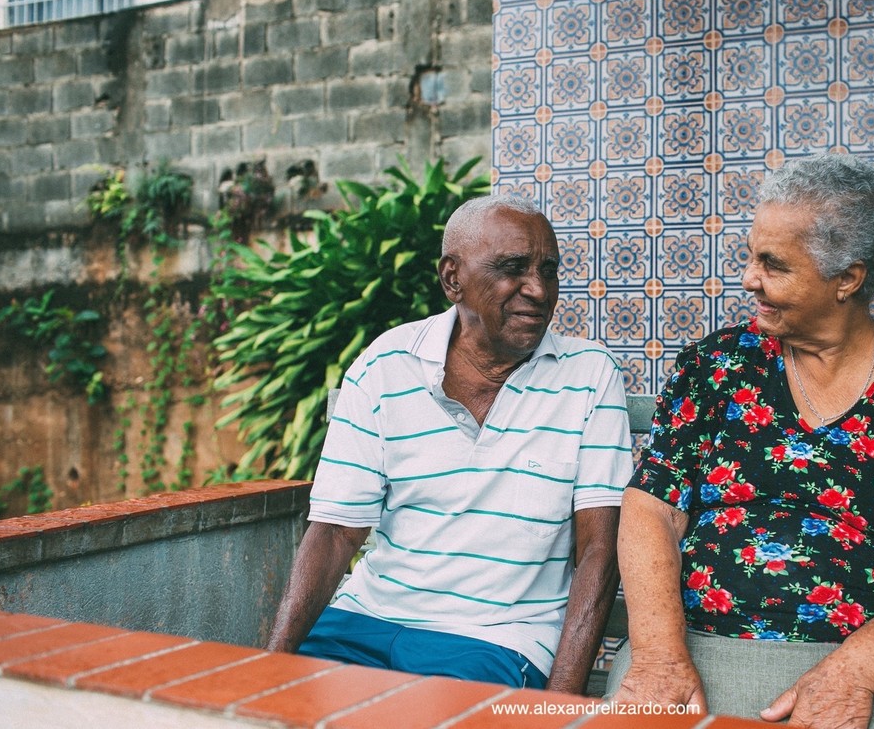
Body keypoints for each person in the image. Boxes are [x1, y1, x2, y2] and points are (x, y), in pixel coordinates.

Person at [607, 153, 874, 728]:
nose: (749, 279)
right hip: (696, 645)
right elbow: (651, 509)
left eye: (774, 264)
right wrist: (660, 655)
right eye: (751, 255)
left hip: (872, 660)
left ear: (848, 279)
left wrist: (856, 670)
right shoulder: (717, 370)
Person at [266, 194, 634, 693]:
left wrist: (560, 703)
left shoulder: (588, 375)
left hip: (495, 640)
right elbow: (334, 534)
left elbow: (599, 548)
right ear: (452, 279)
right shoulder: (385, 366)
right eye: (513, 268)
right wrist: (267, 675)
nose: (538, 290)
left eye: (548, 270)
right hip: (363, 620)